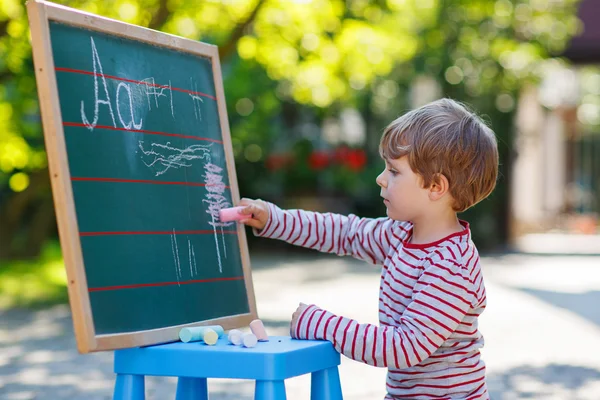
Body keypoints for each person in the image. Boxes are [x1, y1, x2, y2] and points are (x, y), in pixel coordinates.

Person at [238, 98, 498, 399]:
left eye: (394, 171)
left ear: (436, 187)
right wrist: (275, 219)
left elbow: (404, 346)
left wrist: (324, 325)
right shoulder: (400, 235)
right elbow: (344, 233)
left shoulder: (451, 266)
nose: (381, 178)